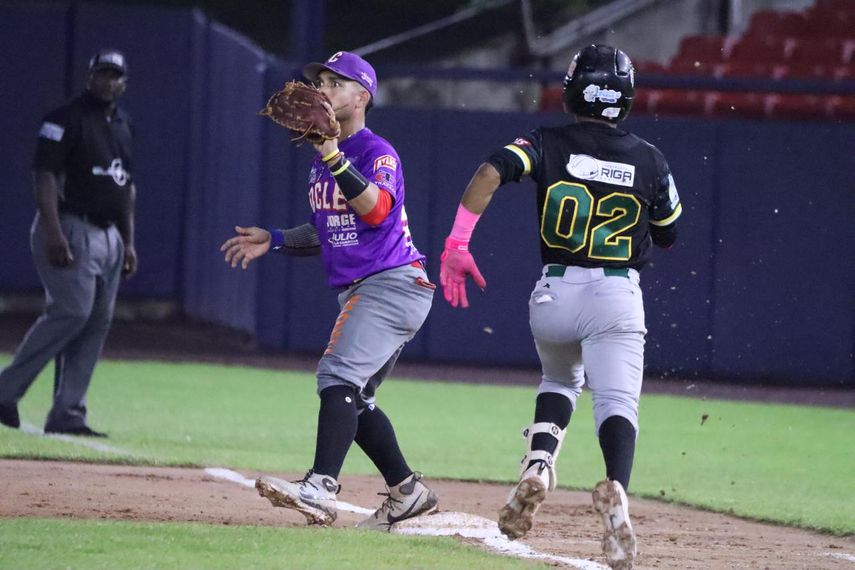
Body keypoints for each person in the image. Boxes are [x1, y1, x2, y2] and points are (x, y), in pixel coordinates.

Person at [439, 45, 682, 569]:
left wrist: (457, 246)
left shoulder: (546, 142)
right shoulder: (650, 158)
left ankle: (540, 463)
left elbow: (488, 173)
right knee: (616, 403)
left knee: (558, 382)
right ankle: (616, 489)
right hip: (617, 292)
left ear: (574, 89)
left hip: (554, 291)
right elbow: (668, 234)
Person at [220, 51, 438, 531]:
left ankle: (320, 487)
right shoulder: (324, 161)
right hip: (377, 286)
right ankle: (407, 492)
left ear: (362, 97)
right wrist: (274, 239)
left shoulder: (374, 151)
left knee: (336, 376)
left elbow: (377, 211)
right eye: (320, 82)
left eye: (336, 84)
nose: (323, 90)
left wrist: (334, 154)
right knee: (355, 399)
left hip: (392, 283)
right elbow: (327, 229)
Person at [0, 49, 137, 438]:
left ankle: (68, 412)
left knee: (96, 321)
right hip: (71, 227)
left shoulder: (124, 125)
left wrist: (129, 242)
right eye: (102, 74)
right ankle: (5, 389)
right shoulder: (64, 119)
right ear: (88, 77)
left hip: (110, 234)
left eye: (116, 76)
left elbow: (127, 188)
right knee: (73, 311)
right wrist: (53, 230)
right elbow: (44, 177)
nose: (108, 81)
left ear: (124, 83)